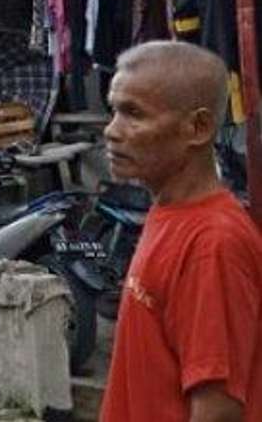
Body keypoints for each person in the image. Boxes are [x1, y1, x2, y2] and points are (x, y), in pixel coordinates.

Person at [100, 41, 262, 422]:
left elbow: (217, 411)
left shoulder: (213, 243)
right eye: (113, 111)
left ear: (198, 127)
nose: (111, 131)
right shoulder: (169, 211)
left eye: (133, 114)